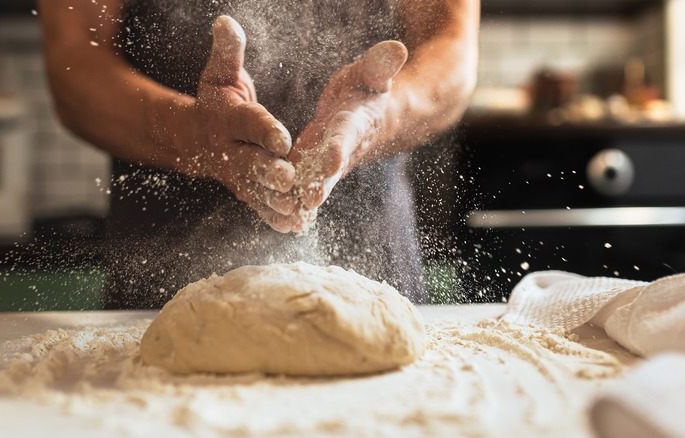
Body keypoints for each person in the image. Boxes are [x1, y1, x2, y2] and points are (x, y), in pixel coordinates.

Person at [37, 0, 479, 309]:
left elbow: (452, 54)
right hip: (161, 279)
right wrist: (194, 136)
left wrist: (375, 119)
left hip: (374, 268)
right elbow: (73, 64)